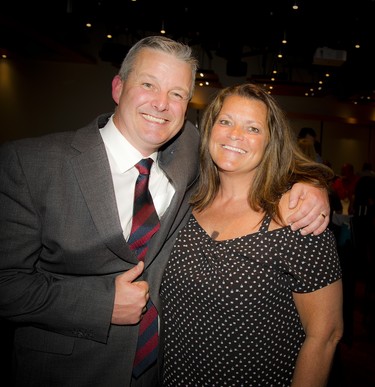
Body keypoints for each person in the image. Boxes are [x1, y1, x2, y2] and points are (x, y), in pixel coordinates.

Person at [0, 36, 330, 387]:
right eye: (148, 85)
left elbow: (250, 153)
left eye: (177, 94)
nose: (161, 104)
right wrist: (101, 304)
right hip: (67, 371)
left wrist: (309, 185)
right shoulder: (31, 164)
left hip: (166, 371)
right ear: (118, 87)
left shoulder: (190, 150)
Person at [160, 83, 343, 386]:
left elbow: (325, 336)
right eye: (226, 122)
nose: (235, 135)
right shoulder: (182, 202)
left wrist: (314, 184)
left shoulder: (297, 218)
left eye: (253, 129)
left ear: (271, 142)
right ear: (209, 129)